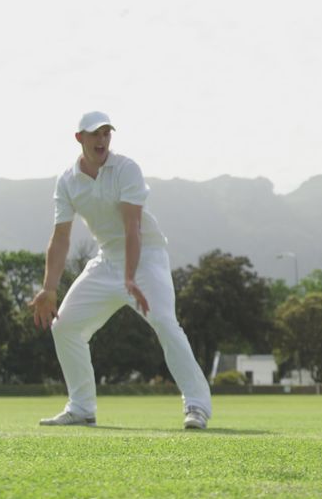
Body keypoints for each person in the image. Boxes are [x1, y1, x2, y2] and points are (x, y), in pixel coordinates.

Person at [29, 111, 212, 429]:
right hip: (106, 261)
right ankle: (81, 407)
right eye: (94, 134)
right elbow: (60, 238)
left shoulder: (126, 169)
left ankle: (197, 406)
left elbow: (133, 227)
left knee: (164, 322)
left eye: (106, 134)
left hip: (147, 257)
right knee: (66, 327)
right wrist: (48, 288)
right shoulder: (68, 181)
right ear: (79, 139)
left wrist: (130, 276)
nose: (101, 140)